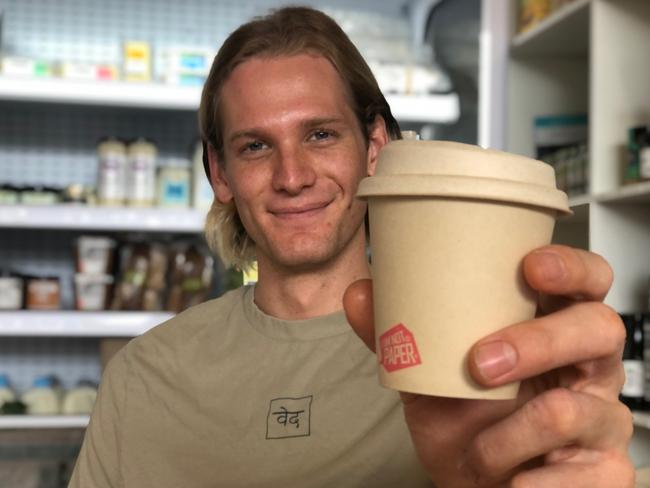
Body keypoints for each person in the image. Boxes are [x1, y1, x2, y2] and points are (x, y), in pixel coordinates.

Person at [69, 6, 634, 487]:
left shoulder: (481, 359)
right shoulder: (141, 379)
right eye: (255, 146)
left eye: (320, 134)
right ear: (219, 172)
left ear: (375, 147)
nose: (292, 175)